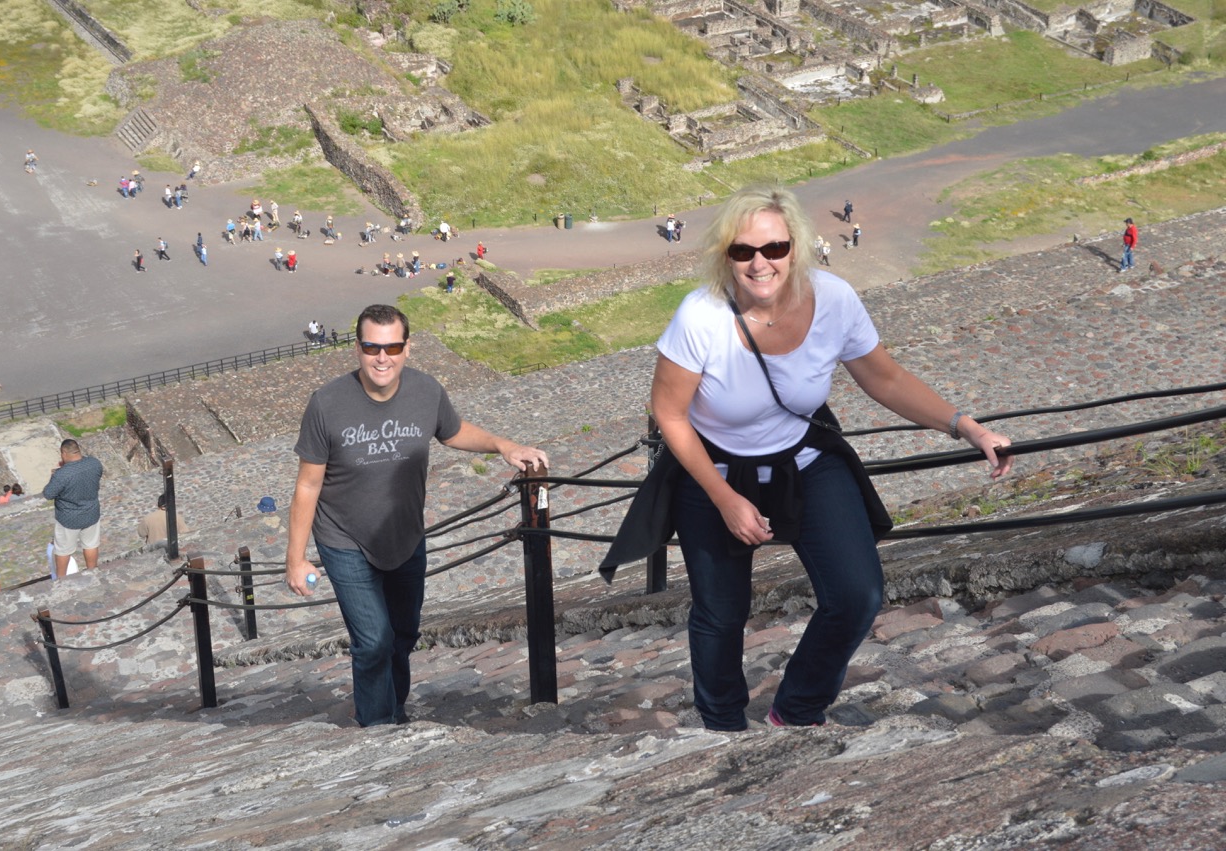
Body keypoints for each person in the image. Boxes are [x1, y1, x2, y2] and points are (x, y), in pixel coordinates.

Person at [601, 184, 1012, 731]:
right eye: (743, 250)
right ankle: (722, 726)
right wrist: (724, 498)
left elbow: (885, 379)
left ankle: (796, 711)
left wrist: (967, 427)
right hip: (714, 468)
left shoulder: (833, 299)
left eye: (774, 248)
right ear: (725, 255)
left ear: (796, 247)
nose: (760, 263)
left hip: (804, 458)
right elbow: (670, 414)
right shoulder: (701, 316)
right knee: (721, 613)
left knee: (857, 594)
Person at [285, 304, 549, 727]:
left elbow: (453, 431)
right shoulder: (327, 404)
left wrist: (504, 445)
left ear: (407, 348)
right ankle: (378, 727)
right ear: (357, 349)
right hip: (345, 539)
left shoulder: (426, 391)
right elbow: (307, 485)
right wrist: (296, 559)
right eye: (372, 347)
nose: (382, 358)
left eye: (392, 347)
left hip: (406, 537)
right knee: (374, 641)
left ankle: (395, 710)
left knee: (403, 636)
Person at [42, 438, 104, 579]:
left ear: (64, 453)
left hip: (68, 518)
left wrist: (54, 476)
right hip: (91, 513)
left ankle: (61, 580)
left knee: (63, 550)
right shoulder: (94, 463)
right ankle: (93, 573)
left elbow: (48, 494)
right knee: (91, 545)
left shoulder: (62, 474)